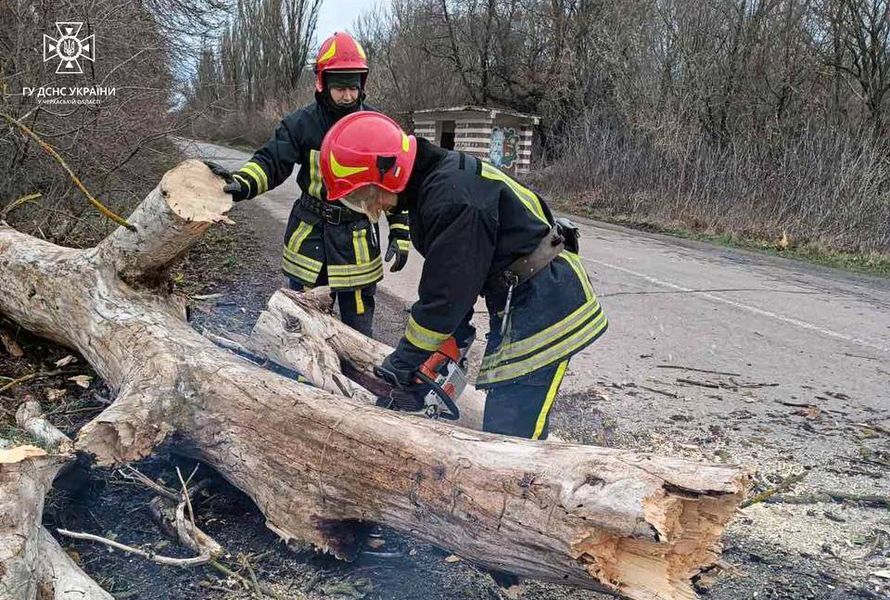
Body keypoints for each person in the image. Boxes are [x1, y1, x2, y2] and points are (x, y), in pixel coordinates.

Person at [318, 112, 608, 439]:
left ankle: (523, 486)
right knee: (503, 418)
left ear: (390, 170)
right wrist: (448, 337)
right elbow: (463, 276)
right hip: (521, 295)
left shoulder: (452, 198)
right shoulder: (436, 185)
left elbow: (445, 298)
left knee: (512, 432)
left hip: (547, 303)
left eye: (367, 195)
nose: (372, 206)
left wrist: (404, 360)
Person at [206, 32, 410, 337]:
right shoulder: (301, 124)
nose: (347, 96)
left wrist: (400, 230)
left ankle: (355, 380)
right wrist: (242, 183)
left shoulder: (377, 128)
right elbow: (271, 161)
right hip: (310, 235)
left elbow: (393, 182)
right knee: (303, 325)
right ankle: (302, 379)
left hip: (356, 238)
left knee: (358, 329)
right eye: (340, 87)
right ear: (322, 83)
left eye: (353, 88)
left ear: (362, 85)